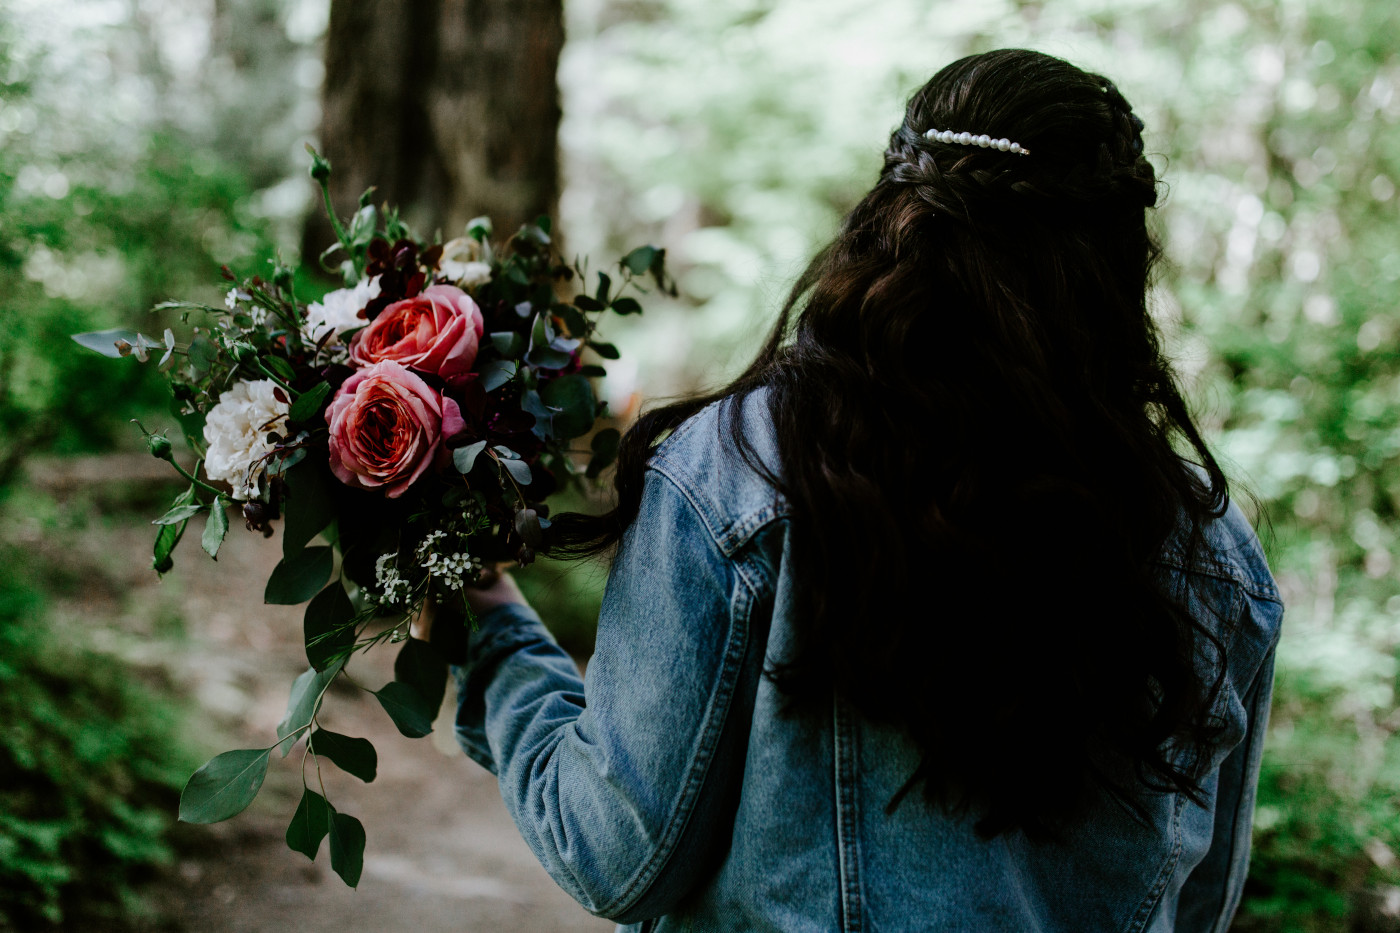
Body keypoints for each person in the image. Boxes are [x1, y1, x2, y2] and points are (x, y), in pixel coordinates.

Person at [423, 49, 1284, 932]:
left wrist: (488, 616)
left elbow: (613, 852)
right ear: (1116, 269)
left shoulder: (742, 471)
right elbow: (1199, 905)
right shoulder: (1218, 558)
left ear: (888, 217)